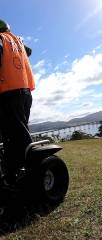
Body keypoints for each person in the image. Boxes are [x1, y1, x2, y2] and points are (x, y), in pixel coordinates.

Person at [0, 19, 35, 184]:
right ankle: (14, 171)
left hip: (8, 95)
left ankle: (33, 172)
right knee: (18, 133)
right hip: (25, 93)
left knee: (12, 135)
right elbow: (29, 51)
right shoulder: (17, 41)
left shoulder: (1, 40)